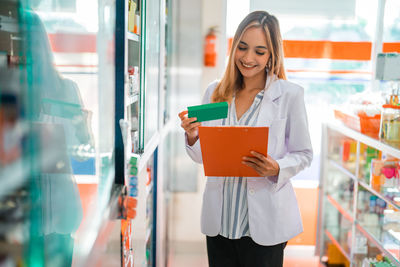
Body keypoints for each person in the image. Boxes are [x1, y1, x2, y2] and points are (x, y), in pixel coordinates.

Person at [178, 10, 313, 267]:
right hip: (220, 221)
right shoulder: (216, 92)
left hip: (264, 225)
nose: (248, 58)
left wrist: (277, 167)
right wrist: (194, 136)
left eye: (260, 52)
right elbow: (202, 157)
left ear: (272, 54)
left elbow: (304, 154)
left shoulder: (289, 95)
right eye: (242, 47)